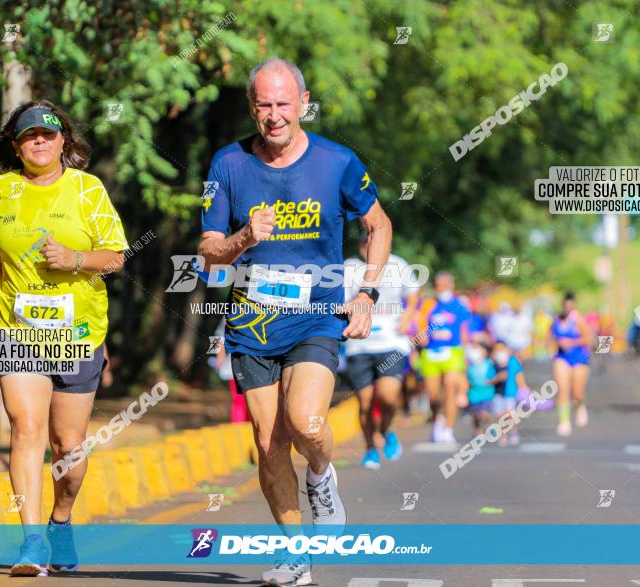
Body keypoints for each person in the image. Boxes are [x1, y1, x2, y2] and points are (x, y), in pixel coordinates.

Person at [197, 57, 392, 586]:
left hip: (316, 317)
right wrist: (243, 239)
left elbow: (378, 225)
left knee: (305, 422)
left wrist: (368, 293)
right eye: (265, 105)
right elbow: (209, 251)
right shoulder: (228, 164)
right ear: (252, 108)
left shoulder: (338, 162)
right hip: (251, 323)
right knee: (267, 442)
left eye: (285, 104)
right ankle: (295, 554)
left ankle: (323, 478)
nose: (275, 115)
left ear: (303, 103)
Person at [0, 100, 128, 576]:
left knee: (68, 447)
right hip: (17, 331)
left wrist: (76, 259)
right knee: (26, 428)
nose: (38, 141)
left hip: (79, 331)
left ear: (64, 141)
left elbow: (118, 256)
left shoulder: (88, 190)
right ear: (15, 145)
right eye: (28, 136)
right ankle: (32, 541)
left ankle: (61, 521)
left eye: (48, 134)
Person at [343, 234, 418, 470]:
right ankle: (370, 448)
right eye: (364, 242)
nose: (368, 247)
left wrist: (407, 318)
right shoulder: (349, 268)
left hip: (391, 342)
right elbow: (341, 302)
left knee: (387, 396)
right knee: (365, 403)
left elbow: (413, 294)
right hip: (359, 344)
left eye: (373, 242)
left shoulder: (398, 264)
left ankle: (386, 429)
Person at [415, 272, 470, 444]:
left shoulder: (459, 305)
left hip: (452, 351)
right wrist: (421, 337)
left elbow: (464, 330)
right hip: (431, 353)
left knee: (450, 389)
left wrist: (466, 353)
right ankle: (437, 417)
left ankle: (448, 428)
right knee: (433, 395)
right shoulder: (428, 305)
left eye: (444, 285)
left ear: (450, 286)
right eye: (438, 285)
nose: (441, 288)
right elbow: (420, 325)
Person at [549, 292, 592, 436]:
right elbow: (550, 336)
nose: (568, 309)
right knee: (562, 389)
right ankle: (564, 421)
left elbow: (589, 338)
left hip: (579, 358)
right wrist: (553, 342)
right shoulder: (556, 319)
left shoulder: (578, 319)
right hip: (562, 358)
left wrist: (572, 342)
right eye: (565, 306)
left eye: (570, 306)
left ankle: (580, 406)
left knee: (577, 393)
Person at [489, 341, 529, 446]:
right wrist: (497, 378)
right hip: (497, 393)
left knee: (510, 414)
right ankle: (502, 435)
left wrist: (523, 387)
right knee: (500, 415)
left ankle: (513, 431)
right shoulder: (492, 363)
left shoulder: (513, 361)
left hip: (510, 393)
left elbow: (518, 375)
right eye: (497, 349)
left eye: (502, 349)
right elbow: (488, 379)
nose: (499, 352)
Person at [465, 342, 496, 435]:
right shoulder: (469, 365)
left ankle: (489, 427)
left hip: (487, 393)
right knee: (475, 414)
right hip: (473, 394)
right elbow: (465, 377)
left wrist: (491, 381)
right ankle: (477, 430)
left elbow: (493, 376)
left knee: (484, 413)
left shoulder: (488, 364)